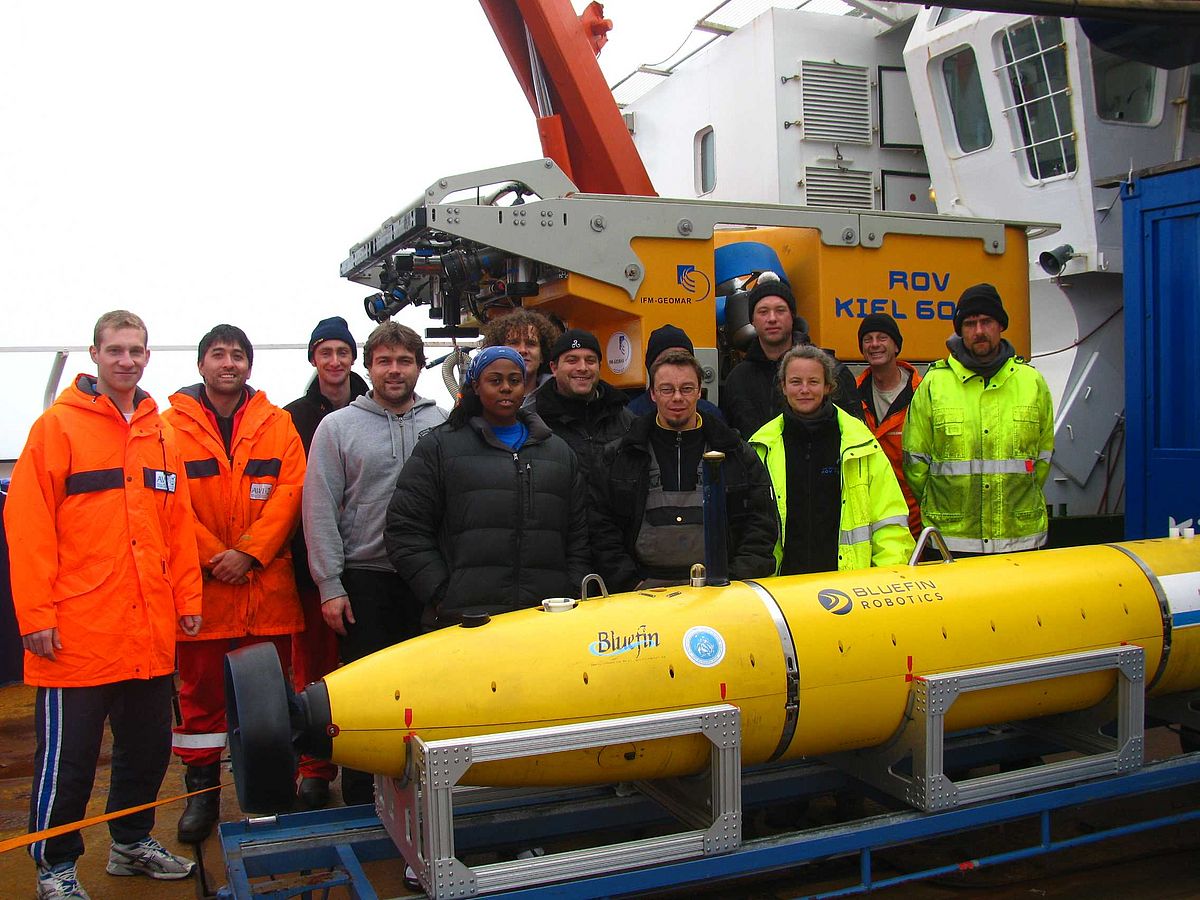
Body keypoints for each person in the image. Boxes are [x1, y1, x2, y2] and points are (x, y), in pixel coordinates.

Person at [7, 310, 201, 899]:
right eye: (115, 349)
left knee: (147, 751)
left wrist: (188, 599)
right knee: (69, 762)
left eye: (136, 350)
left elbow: (177, 526)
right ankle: (55, 867)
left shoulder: (161, 433)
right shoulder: (57, 428)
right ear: (94, 354)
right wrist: (36, 616)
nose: (126, 360)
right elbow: (28, 527)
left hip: (149, 631)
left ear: (148, 356)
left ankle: (130, 844)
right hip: (78, 632)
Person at [163, 324, 306, 843]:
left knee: (270, 699)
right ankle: (201, 796)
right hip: (202, 593)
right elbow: (168, 501)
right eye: (218, 355)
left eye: (238, 355)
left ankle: (273, 793)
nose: (229, 363)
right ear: (201, 364)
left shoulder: (278, 424)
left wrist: (248, 553)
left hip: (265, 589)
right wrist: (214, 557)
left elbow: (291, 491)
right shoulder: (167, 428)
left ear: (249, 365)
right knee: (200, 699)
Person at [303, 321, 447, 803]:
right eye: (384, 361)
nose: (394, 370)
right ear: (368, 367)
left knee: (426, 691)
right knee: (366, 697)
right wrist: (330, 585)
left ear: (420, 367)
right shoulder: (337, 427)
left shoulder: (441, 423)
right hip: (365, 579)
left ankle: (423, 795)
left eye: (404, 361)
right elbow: (319, 508)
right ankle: (363, 797)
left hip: (427, 580)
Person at [385, 346, 590, 629]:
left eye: (514, 380)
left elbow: (579, 534)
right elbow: (405, 529)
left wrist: (571, 587)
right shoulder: (440, 447)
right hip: (466, 622)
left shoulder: (558, 452)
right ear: (476, 386)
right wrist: (443, 593)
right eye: (495, 380)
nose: (506, 388)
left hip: (544, 619)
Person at [590, 349, 777, 591]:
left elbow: (761, 525)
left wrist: (733, 582)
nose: (677, 397)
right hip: (641, 595)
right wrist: (631, 584)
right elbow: (601, 527)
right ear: (653, 393)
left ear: (699, 391)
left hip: (721, 592)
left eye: (687, 388)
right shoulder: (620, 456)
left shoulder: (736, 454)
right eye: (667, 389)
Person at [283, 316, 369, 810]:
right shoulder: (292, 418)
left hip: (369, 564)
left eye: (343, 352)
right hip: (310, 565)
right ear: (313, 358)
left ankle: (365, 758)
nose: (335, 361)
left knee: (363, 666)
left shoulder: (375, 406)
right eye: (325, 352)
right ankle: (314, 766)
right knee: (313, 669)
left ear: (354, 358)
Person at [903, 283, 1054, 555]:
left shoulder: (1032, 382)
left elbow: (1043, 458)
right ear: (960, 330)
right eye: (970, 324)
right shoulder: (934, 384)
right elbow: (915, 464)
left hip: (1021, 540)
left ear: (1001, 325)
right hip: (951, 543)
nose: (979, 331)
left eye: (987, 321)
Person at [749, 345, 914, 574]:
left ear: (828, 386)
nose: (804, 389)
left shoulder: (861, 443)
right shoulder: (761, 446)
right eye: (796, 382)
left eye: (813, 382)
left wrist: (887, 577)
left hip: (846, 584)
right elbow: (750, 527)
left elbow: (889, 521)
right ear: (783, 387)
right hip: (782, 586)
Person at [720, 277, 859, 438]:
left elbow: (855, 435)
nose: (772, 318)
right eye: (763, 312)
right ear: (752, 320)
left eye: (780, 310)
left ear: (792, 317)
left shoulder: (832, 372)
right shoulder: (738, 380)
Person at [855, 313, 923, 535]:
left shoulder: (922, 394)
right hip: (867, 515)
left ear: (896, 346)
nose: (874, 344)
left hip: (915, 517)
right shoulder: (852, 395)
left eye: (882, 337)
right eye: (868, 339)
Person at [534, 327, 634, 476]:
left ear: (599, 367)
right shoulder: (534, 421)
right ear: (554, 368)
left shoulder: (626, 420)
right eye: (572, 360)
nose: (582, 368)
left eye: (590, 360)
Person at [626, 323, 723, 421]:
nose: (677, 397)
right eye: (666, 360)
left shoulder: (712, 416)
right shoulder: (632, 416)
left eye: (682, 357)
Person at [481, 308, 560, 402]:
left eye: (531, 344)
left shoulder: (560, 400)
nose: (523, 350)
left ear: (542, 355)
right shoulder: (482, 401)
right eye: (514, 343)